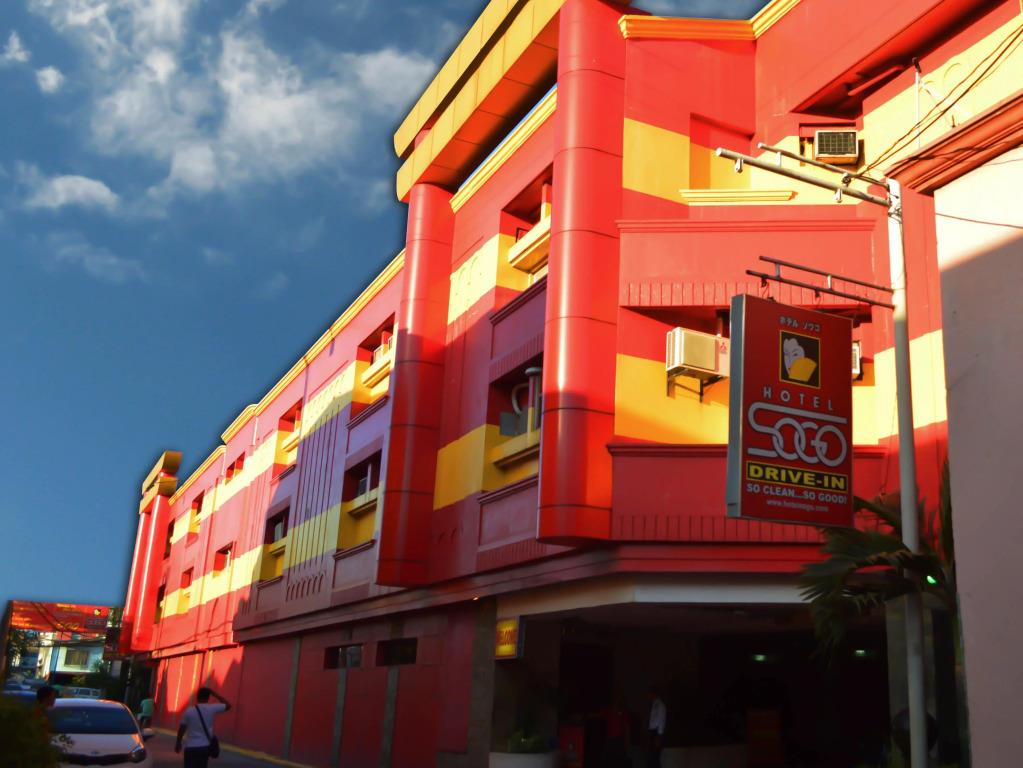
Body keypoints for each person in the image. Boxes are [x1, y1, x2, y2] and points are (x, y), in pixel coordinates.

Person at [175, 687, 231, 768]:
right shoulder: (212, 708)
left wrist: (178, 743)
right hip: (204, 747)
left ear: (197, 697)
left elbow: (182, 729)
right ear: (208, 698)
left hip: (190, 747)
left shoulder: (189, 711)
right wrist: (214, 694)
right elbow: (228, 706)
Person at [646, 686, 666, 768]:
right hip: (652, 732)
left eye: (649, 694)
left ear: (653, 694)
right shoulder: (654, 704)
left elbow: (662, 721)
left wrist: (659, 736)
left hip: (656, 733)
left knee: (655, 758)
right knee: (651, 757)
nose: (648, 696)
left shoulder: (660, 705)